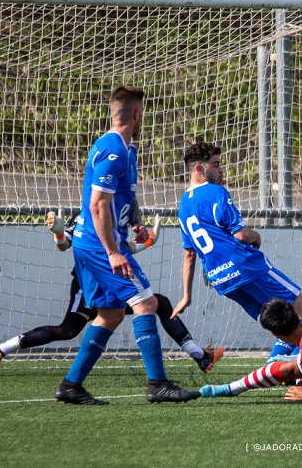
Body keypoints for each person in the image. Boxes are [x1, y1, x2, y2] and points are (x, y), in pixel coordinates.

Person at [54, 85, 198, 405]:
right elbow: (96, 206)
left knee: (111, 315)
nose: (143, 118)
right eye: (142, 113)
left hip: (95, 244)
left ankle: (70, 386)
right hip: (97, 247)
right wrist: (114, 251)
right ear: (135, 114)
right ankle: (157, 384)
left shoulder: (127, 150)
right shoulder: (113, 150)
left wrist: (134, 222)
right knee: (146, 304)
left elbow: (119, 200)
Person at [0, 209, 223, 376]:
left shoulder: (117, 209)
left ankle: (199, 356)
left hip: (113, 283)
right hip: (89, 285)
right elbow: (66, 243)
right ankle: (0, 350)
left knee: (158, 303)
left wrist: (147, 241)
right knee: (67, 330)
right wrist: (57, 231)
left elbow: (121, 249)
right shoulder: (89, 211)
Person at [177, 142, 302, 361]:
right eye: (216, 164)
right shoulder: (215, 192)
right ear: (199, 169)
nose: (221, 169)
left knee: (280, 320)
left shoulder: (183, 205)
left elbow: (188, 254)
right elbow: (241, 234)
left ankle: (276, 365)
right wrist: (256, 235)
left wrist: (186, 296)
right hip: (246, 267)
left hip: (222, 280)